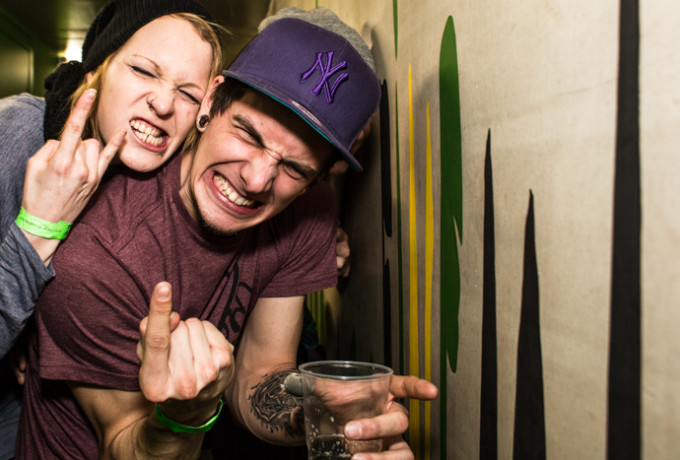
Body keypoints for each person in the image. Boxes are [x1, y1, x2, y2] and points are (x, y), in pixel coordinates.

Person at [17, 7, 437, 459]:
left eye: (294, 168)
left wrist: (327, 413)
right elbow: (123, 444)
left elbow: (260, 376)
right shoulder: (98, 253)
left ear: (319, 176)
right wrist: (187, 415)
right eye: (249, 135)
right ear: (211, 101)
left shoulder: (308, 211)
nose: (256, 180)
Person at [0, 1, 223, 458]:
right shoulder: (18, 133)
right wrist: (37, 231)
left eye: (187, 93)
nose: (164, 103)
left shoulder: (149, 178)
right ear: (96, 74)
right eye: (143, 70)